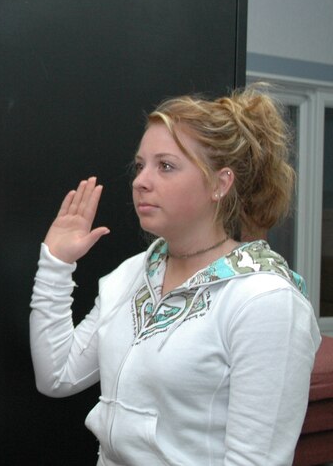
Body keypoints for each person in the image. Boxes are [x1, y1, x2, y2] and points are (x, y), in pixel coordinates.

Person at [30, 85, 321, 465]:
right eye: (140, 165)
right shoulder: (134, 274)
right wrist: (55, 263)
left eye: (165, 166)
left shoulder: (265, 301)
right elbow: (57, 376)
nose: (140, 181)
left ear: (221, 183)